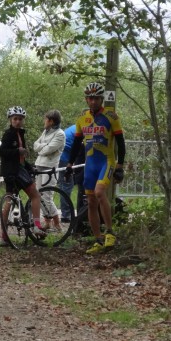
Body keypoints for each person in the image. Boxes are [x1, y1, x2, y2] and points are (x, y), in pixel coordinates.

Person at [66, 82, 126, 255]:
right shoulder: (82, 117)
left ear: (101, 99)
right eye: (90, 98)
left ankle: (110, 232)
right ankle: (98, 239)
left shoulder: (111, 116)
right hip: (90, 164)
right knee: (90, 201)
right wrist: (70, 164)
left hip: (106, 162)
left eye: (96, 98)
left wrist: (120, 166)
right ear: (86, 99)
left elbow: (121, 143)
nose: (92, 102)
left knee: (100, 193)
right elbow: (77, 143)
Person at [0, 106, 44, 245]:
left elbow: (21, 157)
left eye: (20, 119)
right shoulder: (8, 134)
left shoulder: (20, 134)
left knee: (10, 199)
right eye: (15, 119)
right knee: (34, 195)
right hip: (13, 172)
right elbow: (3, 152)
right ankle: (36, 226)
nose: (18, 121)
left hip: (17, 170)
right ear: (10, 120)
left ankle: (4, 236)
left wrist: (30, 167)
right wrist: (17, 151)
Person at [33, 110, 66, 231]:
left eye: (45, 119)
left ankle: (57, 223)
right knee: (38, 194)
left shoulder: (60, 134)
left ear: (51, 121)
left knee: (47, 196)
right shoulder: (45, 132)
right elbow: (35, 145)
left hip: (49, 168)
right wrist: (43, 146)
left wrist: (42, 147)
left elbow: (49, 149)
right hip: (39, 165)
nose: (44, 121)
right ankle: (47, 221)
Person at [57, 123, 77, 223]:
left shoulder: (75, 127)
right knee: (67, 185)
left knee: (64, 185)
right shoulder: (81, 129)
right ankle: (66, 215)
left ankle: (66, 213)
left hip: (62, 156)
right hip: (64, 158)